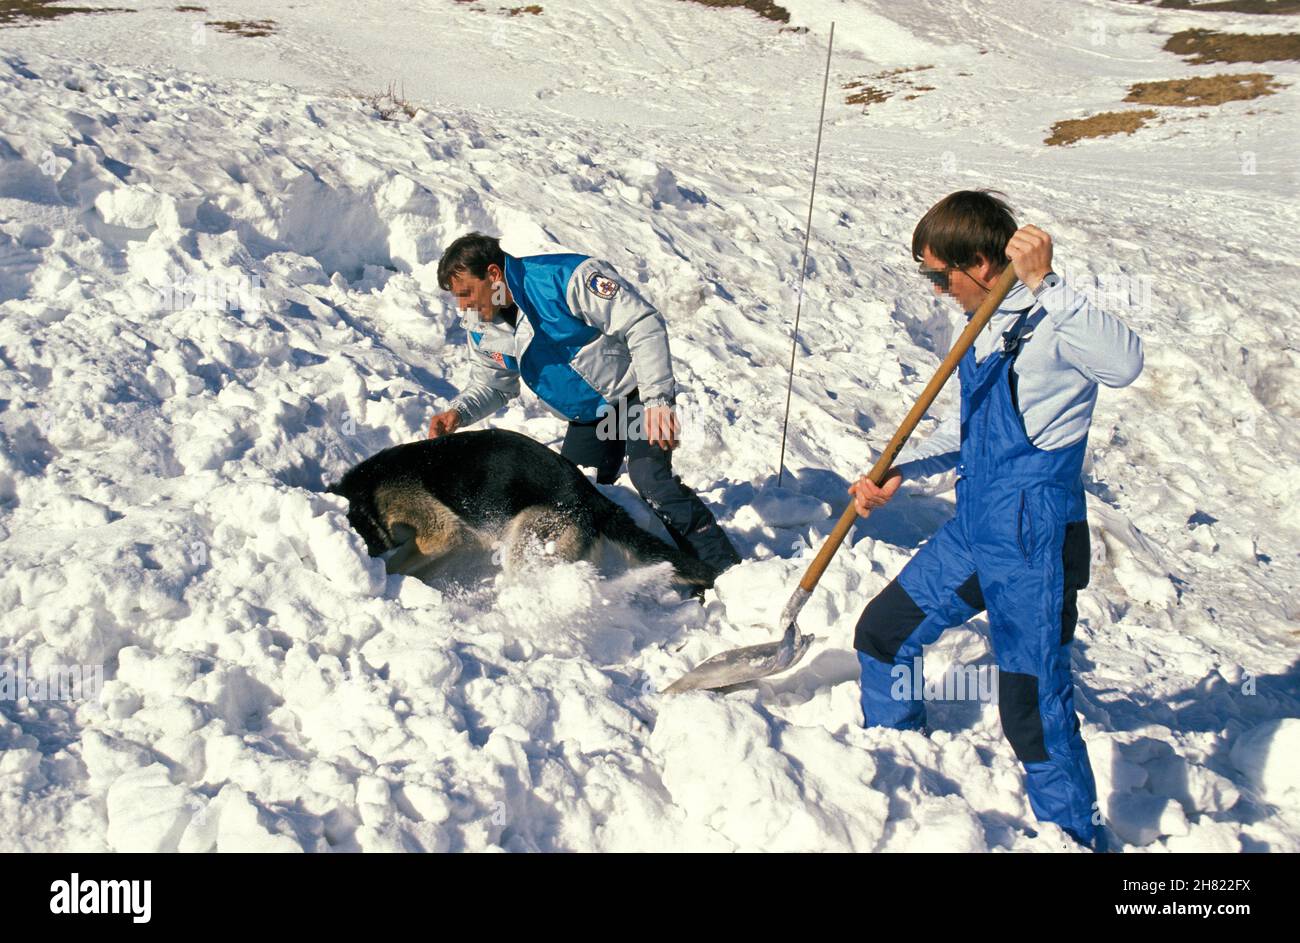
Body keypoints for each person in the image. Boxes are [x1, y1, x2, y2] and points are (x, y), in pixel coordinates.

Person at [848, 190, 1143, 849]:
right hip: (976, 528)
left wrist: (1047, 281)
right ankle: (907, 770)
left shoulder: (1052, 324)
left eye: (937, 274)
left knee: (1032, 710)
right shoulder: (982, 325)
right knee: (883, 635)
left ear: (981, 261)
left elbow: (1125, 363)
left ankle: (1077, 836)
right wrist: (900, 467)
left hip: (1033, 540)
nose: (935, 288)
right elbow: (979, 436)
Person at [428, 232, 741, 575]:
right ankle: (631, 573)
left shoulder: (564, 278)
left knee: (650, 478)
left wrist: (657, 402)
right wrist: (459, 411)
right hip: (589, 417)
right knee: (569, 502)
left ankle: (723, 570)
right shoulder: (482, 326)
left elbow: (643, 323)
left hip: (635, 395)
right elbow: (493, 383)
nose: (463, 306)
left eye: (466, 293)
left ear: (493, 275)